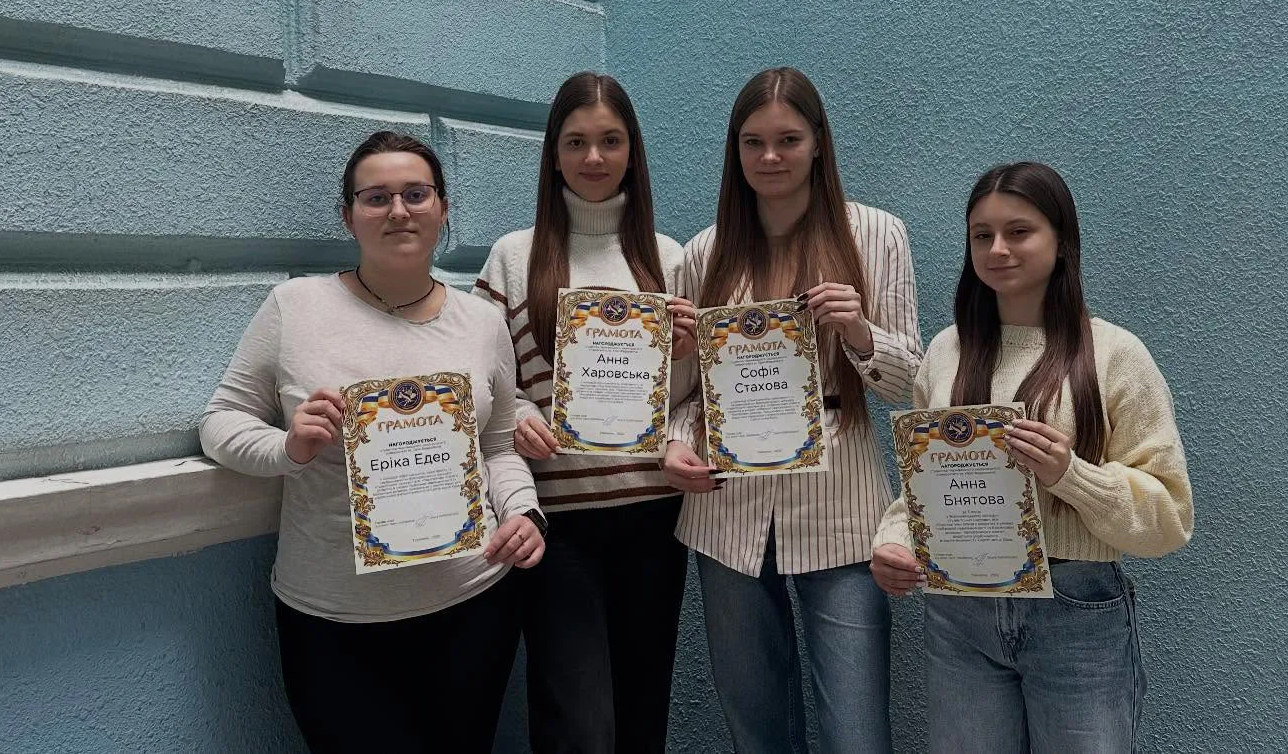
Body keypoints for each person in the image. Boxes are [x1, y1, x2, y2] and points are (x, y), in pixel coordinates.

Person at [201, 130, 546, 754]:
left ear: (442, 208)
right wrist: (288, 448)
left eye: (416, 194)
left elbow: (497, 447)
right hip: (333, 617)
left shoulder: (481, 323)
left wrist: (524, 512)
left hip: (472, 603)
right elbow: (221, 422)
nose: (398, 211)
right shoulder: (294, 308)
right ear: (349, 216)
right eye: (376, 198)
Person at [870, 161, 1194, 754]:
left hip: (1075, 611)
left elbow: (1169, 518)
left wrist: (1071, 475)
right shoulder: (945, 352)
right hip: (958, 613)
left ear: (1061, 239)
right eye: (982, 235)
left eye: (1019, 231)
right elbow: (920, 489)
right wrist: (895, 541)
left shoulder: (1115, 355)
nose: (998, 249)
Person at [661, 66, 922, 753]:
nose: (770, 157)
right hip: (727, 512)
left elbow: (910, 384)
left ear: (818, 142)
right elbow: (688, 395)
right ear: (735, 150)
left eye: (788, 140)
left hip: (840, 505)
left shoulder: (876, 235)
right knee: (756, 727)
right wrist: (675, 443)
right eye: (753, 142)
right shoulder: (705, 251)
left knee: (856, 733)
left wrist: (860, 331)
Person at [473, 72, 696, 754]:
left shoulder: (669, 257)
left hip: (653, 516)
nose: (593, 157)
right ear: (553, 152)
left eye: (610, 140)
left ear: (632, 150)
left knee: (641, 714)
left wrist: (686, 353)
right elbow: (478, 378)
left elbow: (689, 398)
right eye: (575, 142)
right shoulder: (512, 257)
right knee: (580, 725)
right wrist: (515, 413)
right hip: (556, 522)